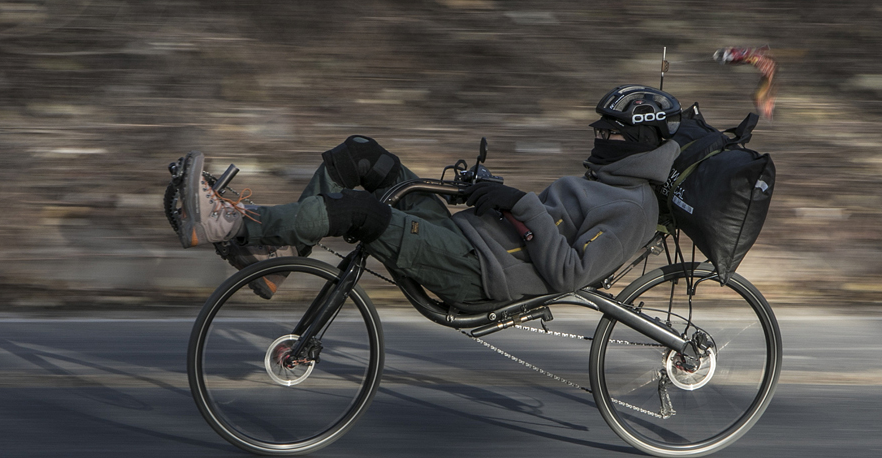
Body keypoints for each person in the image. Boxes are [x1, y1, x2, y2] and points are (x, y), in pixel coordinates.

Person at [170, 85, 683, 306]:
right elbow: (534, 217)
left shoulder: (634, 209)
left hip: (480, 271)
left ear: (639, 141)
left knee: (363, 213)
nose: (600, 138)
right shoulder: (608, 181)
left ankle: (230, 225)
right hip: (468, 237)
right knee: (361, 154)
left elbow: (572, 274)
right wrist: (485, 191)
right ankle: (278, 256)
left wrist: (515, 202)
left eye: (611, 133)